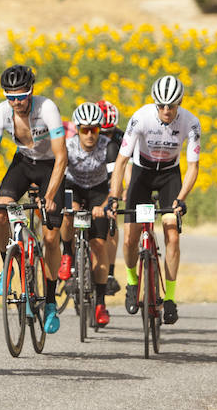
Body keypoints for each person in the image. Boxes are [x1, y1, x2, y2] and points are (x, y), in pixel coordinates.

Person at [0, 64, 68, 335]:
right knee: (1, 211)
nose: (16, 102)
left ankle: (50, 301)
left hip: (50, 166)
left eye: (21, 95)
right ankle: (8, 264)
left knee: (51, 238)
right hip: (24, 163)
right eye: (10, 96)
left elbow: (62, 157)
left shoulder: (47, 108)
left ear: (31, 92)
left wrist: (49, 195)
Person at [107, 75, 200, 325]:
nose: (166, 111)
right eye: (161, 105)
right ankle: (131, 281)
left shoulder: (191, 123)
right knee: (129, 237)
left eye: (172, 106)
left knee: (172, 233)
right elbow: (121, 162)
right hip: (142, 174)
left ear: (179, 103)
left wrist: (181, 199)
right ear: (155, 104)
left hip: (170, 175)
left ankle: (169, 298)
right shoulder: (140, 117)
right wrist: (114, 197)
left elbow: (193, 167)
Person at [63, 102, 120, 327]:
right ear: (77, 129)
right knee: (69, 214)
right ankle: (67, 254)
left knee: (98, 245)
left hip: (98, 192)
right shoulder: (67, 146)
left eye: (94, 130)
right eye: (84, 130)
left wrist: (106, 205)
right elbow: (58, 177)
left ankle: (100, 303)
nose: (89, 135)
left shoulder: (109, 147)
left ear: (99, 130)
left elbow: (115, 183)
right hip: (74, 187)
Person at [96, 98, 124, 297]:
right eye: (101, 132)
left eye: (109, 132)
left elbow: (127, 169)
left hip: (111, 179)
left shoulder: (121, 138)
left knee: (111, 222)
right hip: (89, 179)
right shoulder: (85, 134)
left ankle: (111, 273)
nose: (106, 136)